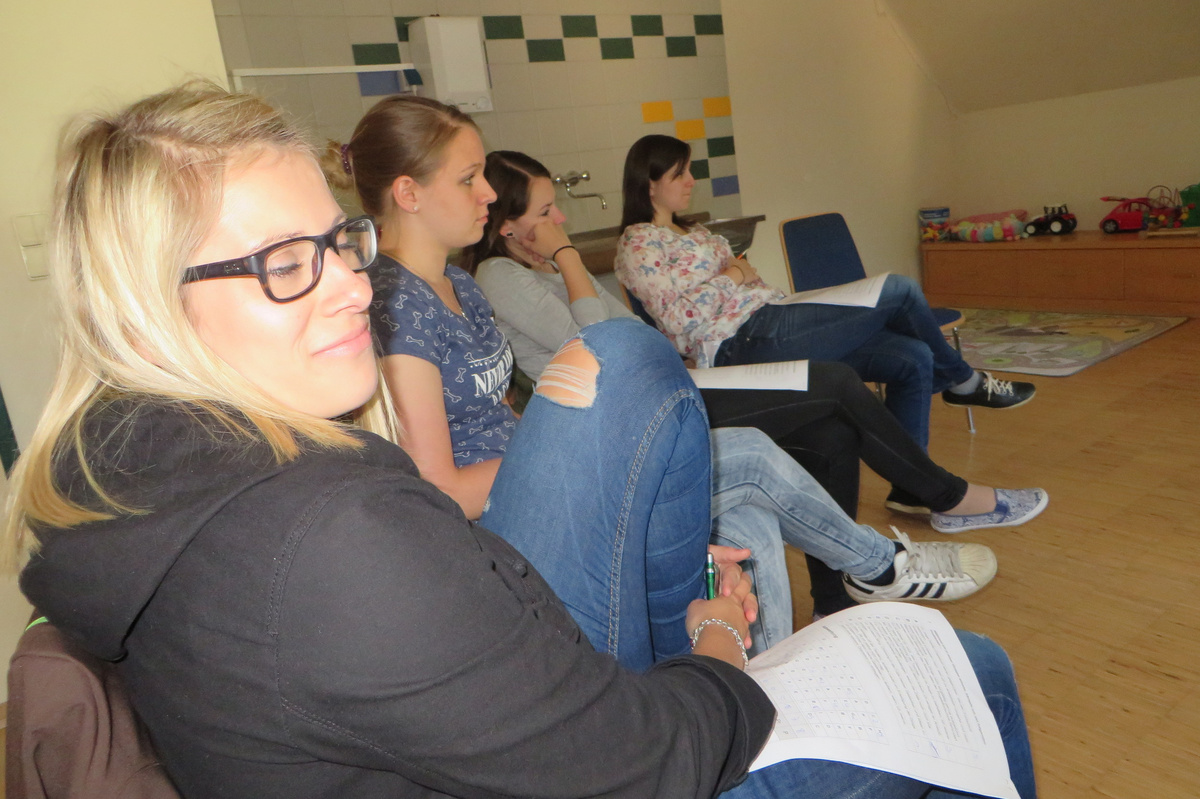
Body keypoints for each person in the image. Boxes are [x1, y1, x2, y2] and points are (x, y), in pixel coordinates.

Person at [2, 82, 1037, 799]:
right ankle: (853, 573)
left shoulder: (141, 469)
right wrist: (721, 643)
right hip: (607, 754)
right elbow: (644, 765)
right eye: (284, 263)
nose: (351, 284)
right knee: (968, 667)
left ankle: (837, 569)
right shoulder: (326, 541)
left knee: (689, 424)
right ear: (151, 309)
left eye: (336, 242)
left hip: (497, 677)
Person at [338, 100, 1007, 649]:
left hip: (540, 483)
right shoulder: (397, 306)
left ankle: (763, 701)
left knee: (748, 525)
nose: (486, 193)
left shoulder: (458, 284)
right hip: (514, 521)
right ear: (408, 193)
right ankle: (878, 565)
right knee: (747, 452)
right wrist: (565, 451)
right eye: (469, 179)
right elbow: (444, 489)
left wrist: (547, 443)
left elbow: (497, 416)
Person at [469, 149, 1048, 541]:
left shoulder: (554, 265)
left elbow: (633, 334)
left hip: (670, 380)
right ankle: (949, 494)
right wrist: (569, 257)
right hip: (635, 412)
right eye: (546, 212)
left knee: (836, 425)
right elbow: (601, 343)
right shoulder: (500, 275)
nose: (560, 219)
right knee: (838, 379)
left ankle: (841, 589)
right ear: (506, 226)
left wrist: (567, 263)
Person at [613, 135, 1038, 496]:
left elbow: (748, 283)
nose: (691, 181)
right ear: (649, 184)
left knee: (912, 357)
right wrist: (733, 275)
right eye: (679, 174)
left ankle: (911, 491)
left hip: (773, 315)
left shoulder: (696, 231)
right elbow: (678, 320)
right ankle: (964, 382)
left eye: (689, 171)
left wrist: (742, 278)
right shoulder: (639, 243)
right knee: (900, 289)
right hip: (737, 341)